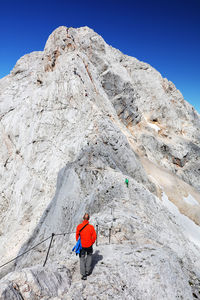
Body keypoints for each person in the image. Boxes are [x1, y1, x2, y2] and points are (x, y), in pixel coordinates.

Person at [76, 213, 97, 280]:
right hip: (89, 245)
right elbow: (94, 236)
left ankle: (83, 274)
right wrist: (91, 242)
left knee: (82, 258)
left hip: (82, 245)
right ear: (89, 219)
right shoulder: (91, 227)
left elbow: (77, 235)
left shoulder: (79, 226)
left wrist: (78, 241)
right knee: (89, 256)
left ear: (83, 218)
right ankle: (88, 271)